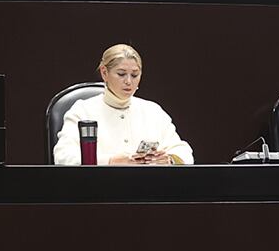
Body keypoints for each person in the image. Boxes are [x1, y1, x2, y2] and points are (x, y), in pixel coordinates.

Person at [51, 44, 192, 164]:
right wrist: (111, 162)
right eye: (121, 74)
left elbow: (184, 152)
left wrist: (169, 159)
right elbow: (63, 157)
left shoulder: (153, 111)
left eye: (135, 75)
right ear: (104, 72)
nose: (129, 82)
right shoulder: (82, 111)